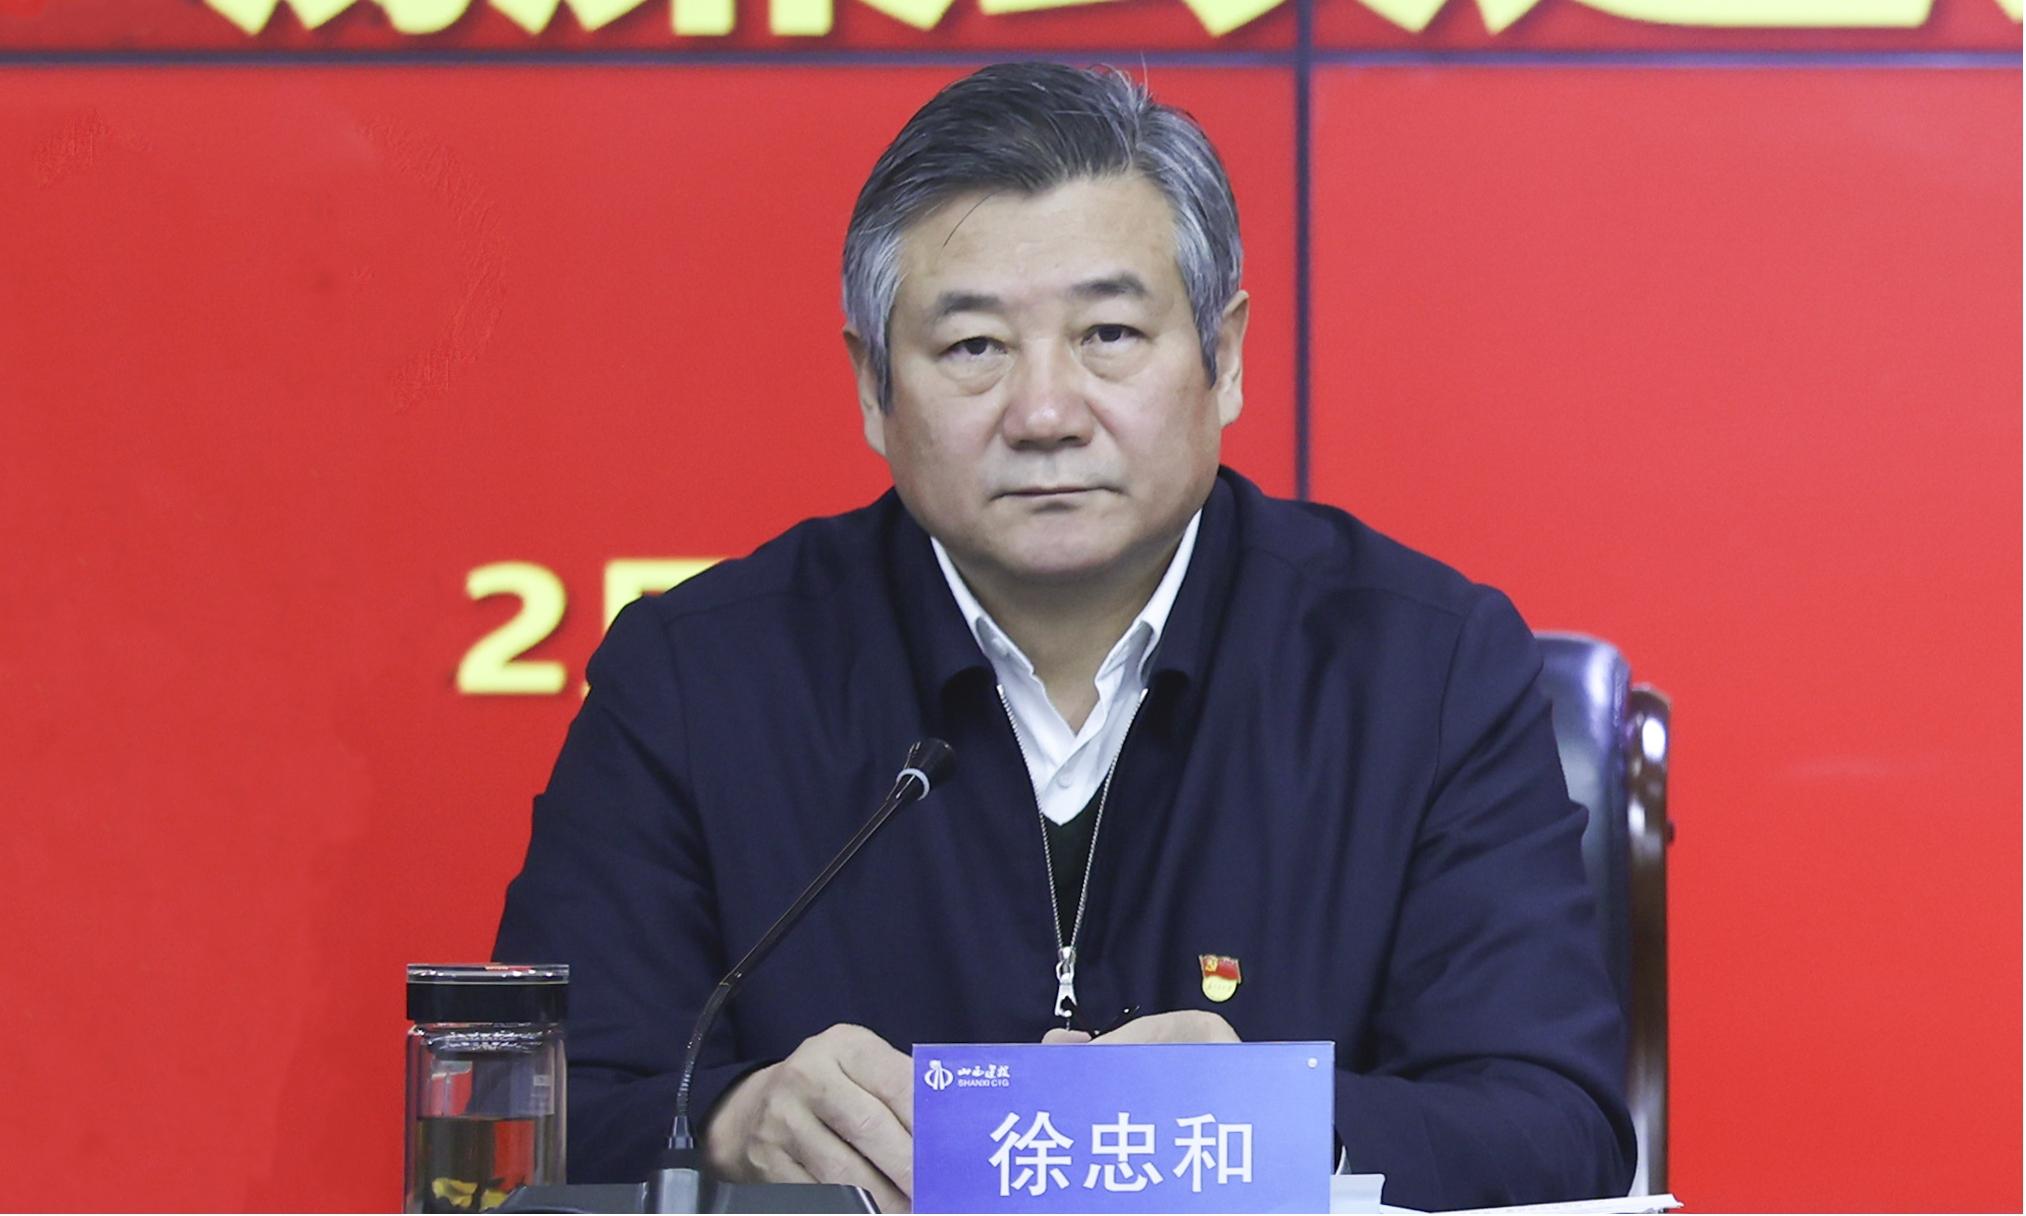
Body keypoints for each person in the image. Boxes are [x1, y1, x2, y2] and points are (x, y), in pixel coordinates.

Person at [494, 61, 1635, 1213]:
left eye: (1108, 333)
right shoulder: (696, 680)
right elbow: (535, 1118)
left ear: (1226, 357)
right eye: (973, 347)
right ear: (873, 386)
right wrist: (729, 1122)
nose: (1044, 414)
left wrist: (1272, 1127)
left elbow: (1554, 1124)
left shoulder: (1420, 671)